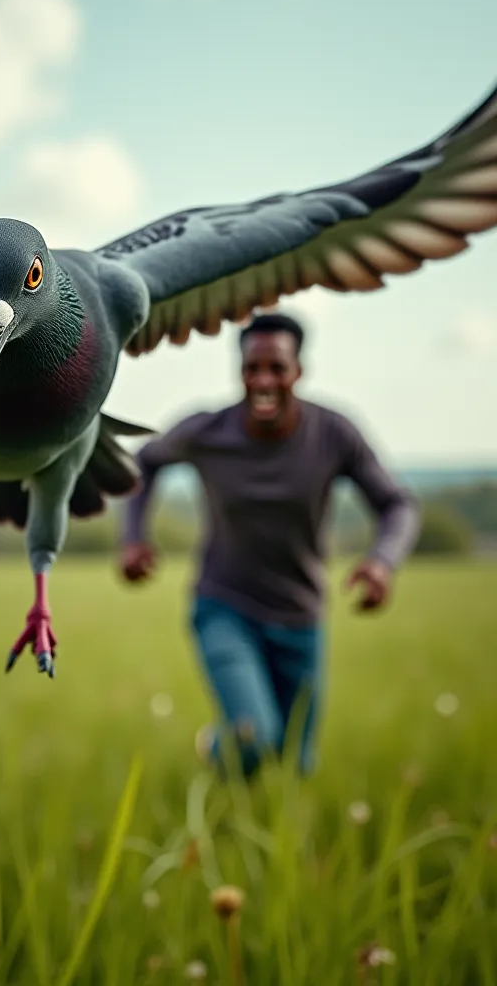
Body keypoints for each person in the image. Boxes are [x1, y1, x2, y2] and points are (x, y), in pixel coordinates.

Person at [117, 312, 420, 779]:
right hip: (224, 606)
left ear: (298, 371)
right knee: (254, 738)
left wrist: (383, 562)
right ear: (239, 371)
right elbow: (143, 466)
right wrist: (133, 538)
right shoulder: (207, 430)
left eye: (276, 368)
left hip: (301, 615)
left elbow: (397, 504)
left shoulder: (334, 433)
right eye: (251, 368)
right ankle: (220, 751)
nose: (263, 380)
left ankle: (247, 824)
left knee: (297, 763)